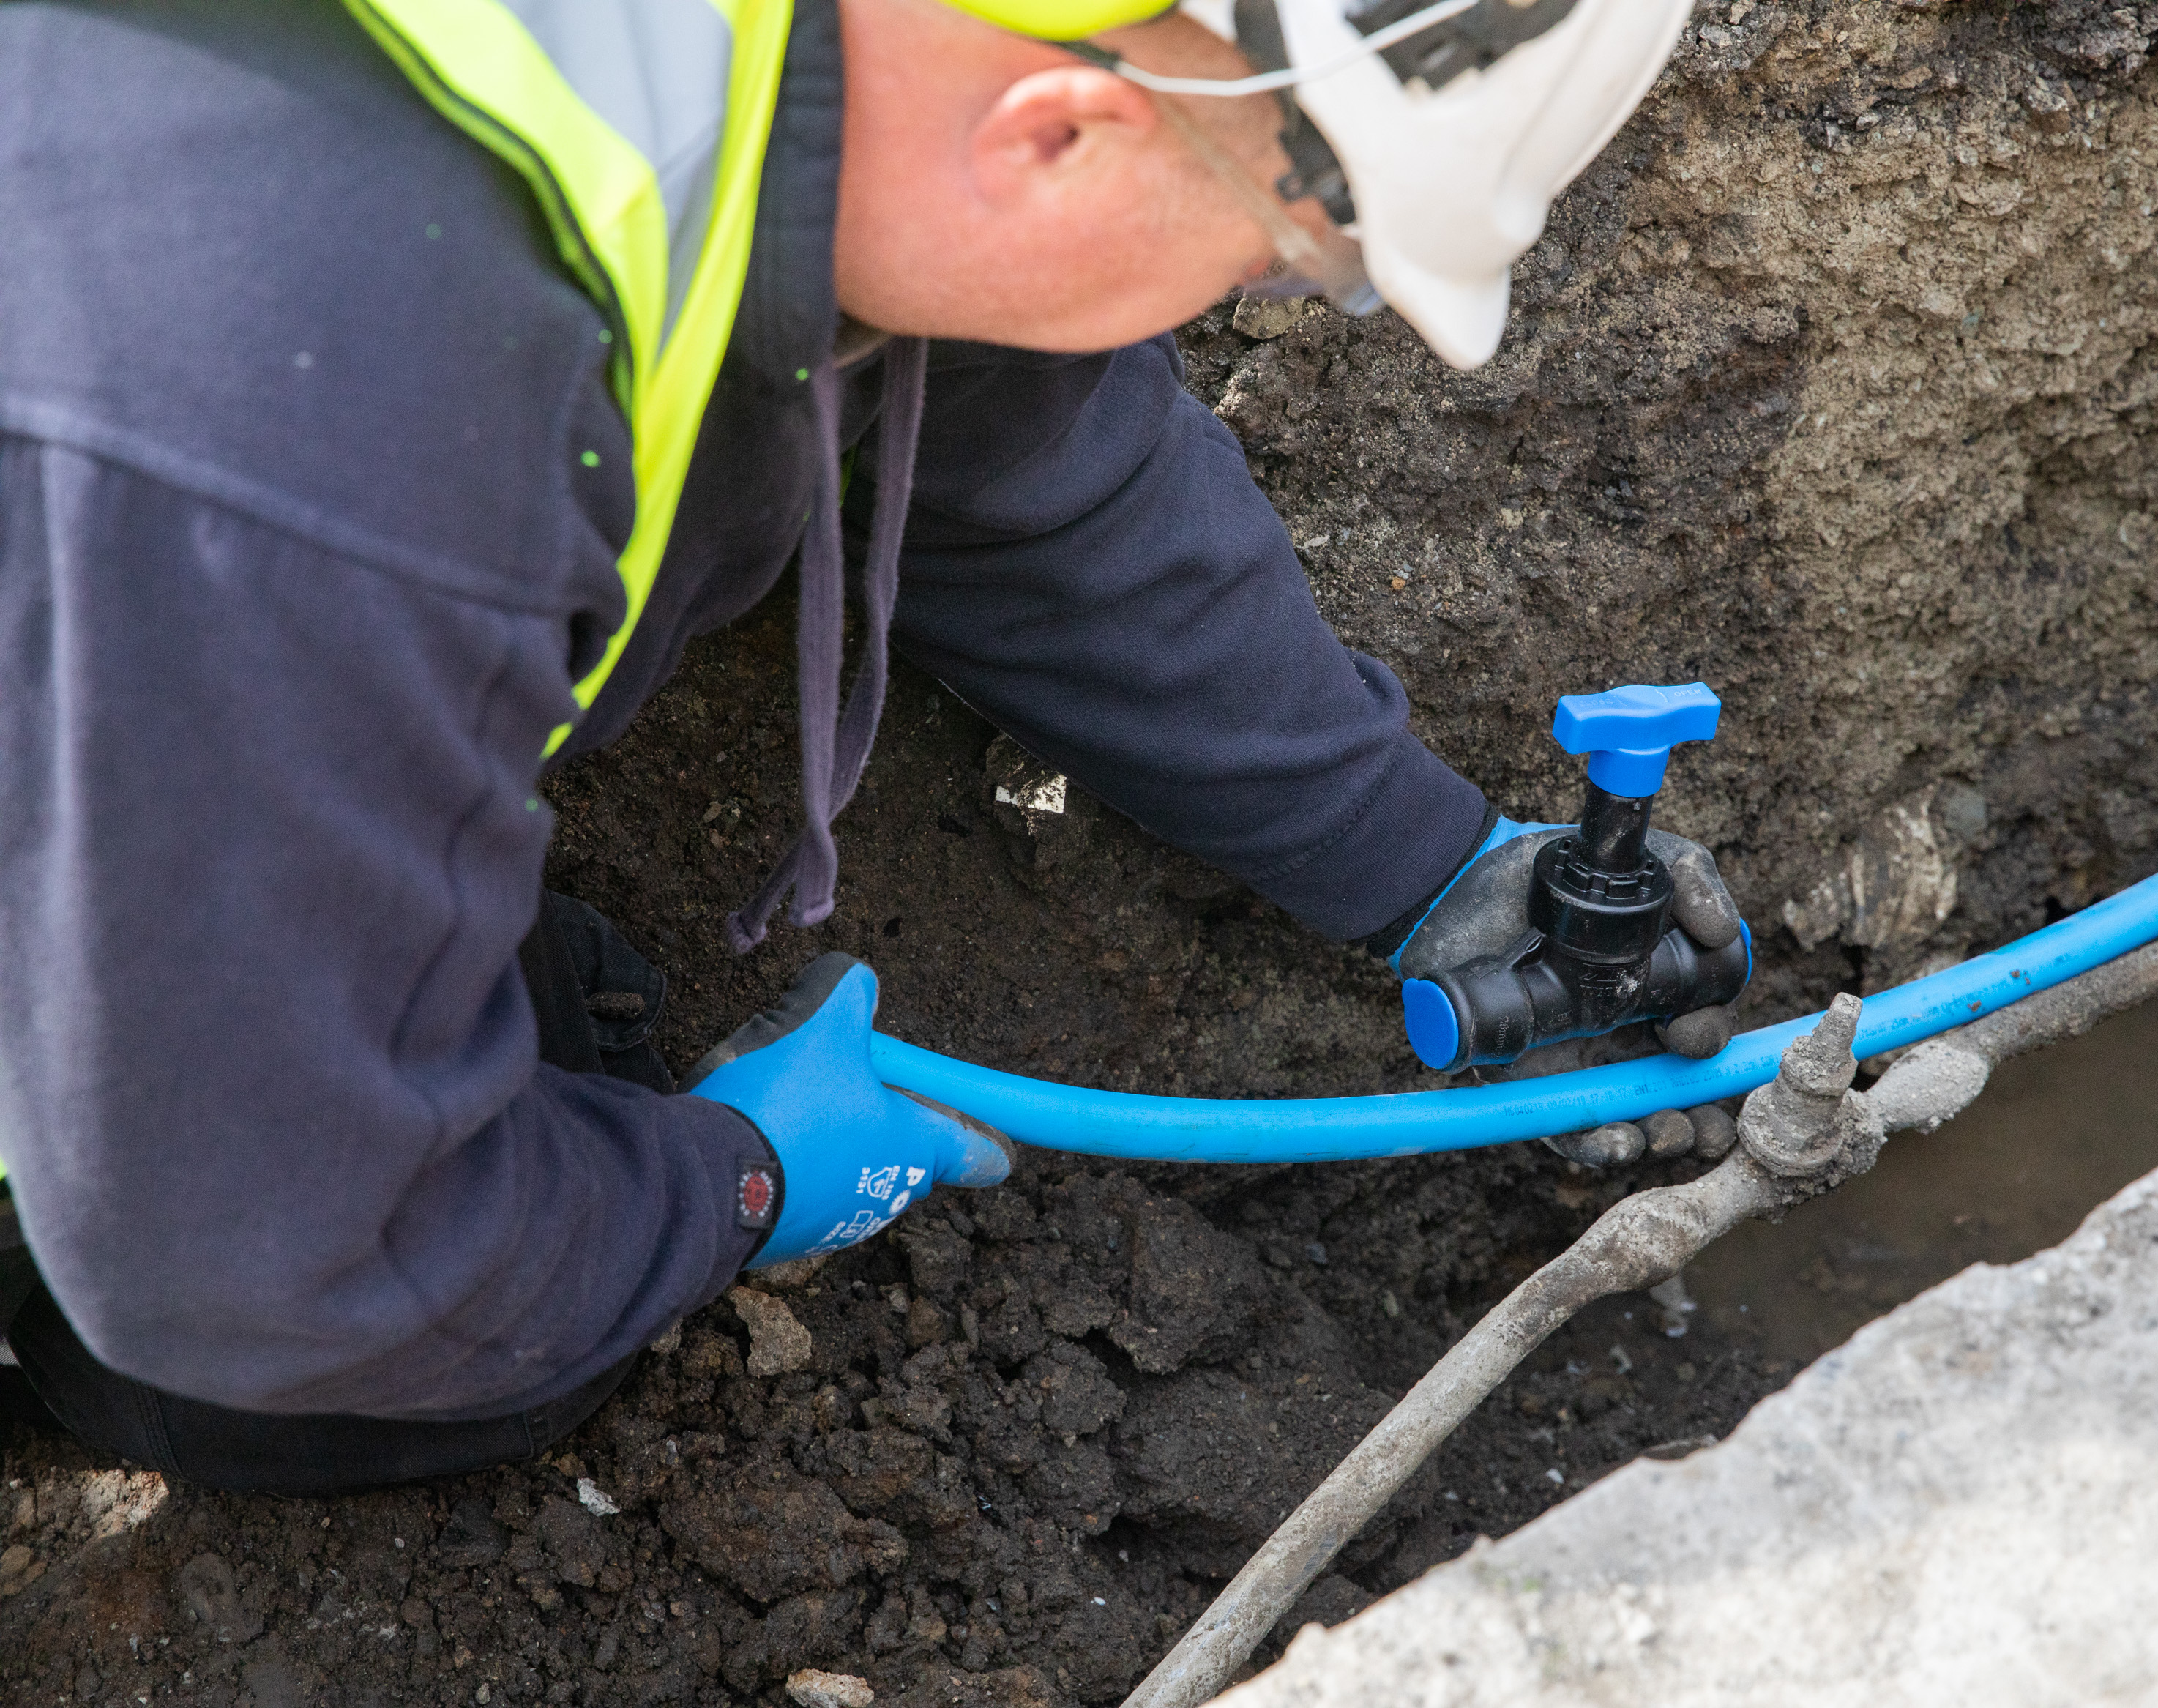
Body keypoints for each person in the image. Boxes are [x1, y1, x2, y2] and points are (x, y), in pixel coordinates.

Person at [0, 0, 1730, 1496]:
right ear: (1061, 136)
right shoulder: (328, 445)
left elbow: (1032, 471)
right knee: (351, 1363)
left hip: (187, 605)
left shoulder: (833, 73)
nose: (1253, 294)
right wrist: (737, 1190)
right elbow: (274, 1258)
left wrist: (1423, 864)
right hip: (182, 544)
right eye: (1284, 258)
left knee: (533, 1047)